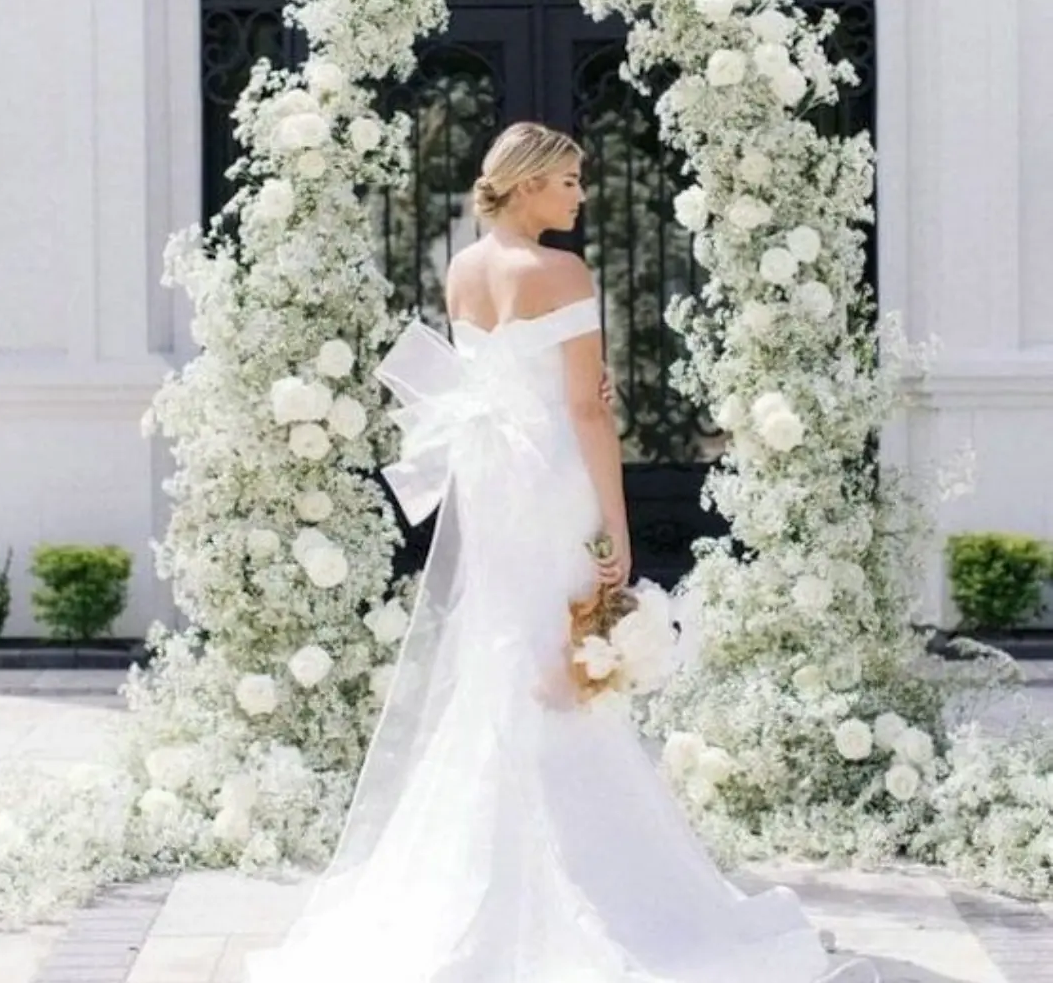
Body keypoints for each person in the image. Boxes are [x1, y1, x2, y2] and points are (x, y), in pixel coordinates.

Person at [246, 123, 877, 982]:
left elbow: (494, 377)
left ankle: (494, 864)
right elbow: (586, 410)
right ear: (529, 183)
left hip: (492, 486)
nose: (580, 196)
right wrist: (615, 523)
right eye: (569, 181)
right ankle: (591, 880)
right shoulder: (563, 272)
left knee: (510, 652)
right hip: (552, 480)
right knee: (569, 656)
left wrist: (572, 384)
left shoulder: (465, 267)